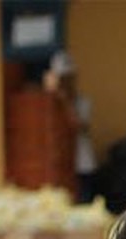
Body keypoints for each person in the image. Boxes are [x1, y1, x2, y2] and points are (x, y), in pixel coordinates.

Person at [46, 51, 96, 204]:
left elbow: (78, 126)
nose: (66, 83)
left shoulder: (83, 102)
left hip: (81, 165)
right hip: (58, 167)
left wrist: (65, 101)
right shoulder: (49, 105)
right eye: (62, 79)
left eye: (69, 78)